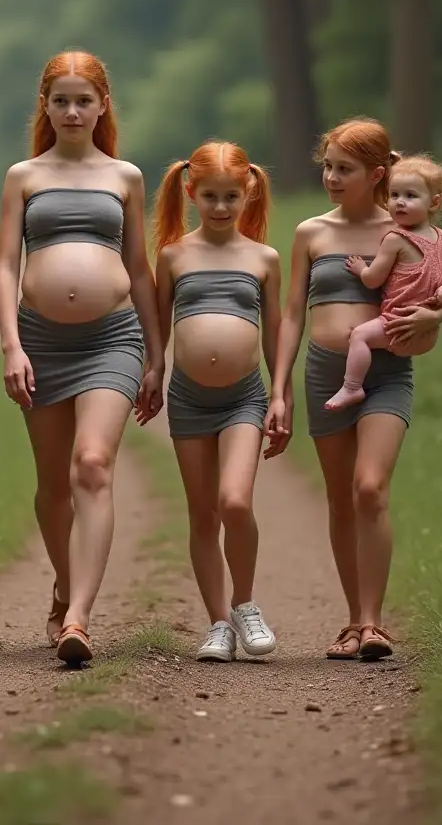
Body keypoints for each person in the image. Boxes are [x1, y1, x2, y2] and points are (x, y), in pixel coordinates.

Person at [266, 118, 442, 662]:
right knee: (340, 499)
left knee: (369, 488)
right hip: (326, 373)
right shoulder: (311, 232)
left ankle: (374, 623)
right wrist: (278, 390)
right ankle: (353, 620)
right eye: (326, 165)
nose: (330, 176)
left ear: (376, 173)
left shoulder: (403, 224)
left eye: (343, 169)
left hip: (388, 372)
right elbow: (291, 316)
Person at [0, 51, 164, 666]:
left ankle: (80, 618)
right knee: (52, 485)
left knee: (91, 464)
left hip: (111, 338)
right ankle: (64, 586)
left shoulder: (125, 176)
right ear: (46, 105)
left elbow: (140, 271)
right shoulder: (22, 176)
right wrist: (11, 344)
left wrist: (156, 353)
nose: (71, 111)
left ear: (102, 106)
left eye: (83, 100)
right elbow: (7, 263)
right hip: (40, 341)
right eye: (60, 100)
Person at [152, 142, 286, 664]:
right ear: (191, 192)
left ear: (248, 192)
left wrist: (280, 395)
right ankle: (218, 624)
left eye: (232, 196)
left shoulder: (263, 258)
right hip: (188, 400)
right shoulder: (173, 255)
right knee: (203, 514)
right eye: (210, 196)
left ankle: (245, 604)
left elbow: (275, 334)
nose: (222, 207)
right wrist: (154, 372)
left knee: (235, 501)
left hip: (244, 400)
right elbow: (159, 327)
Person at [324, 154, 442, 411]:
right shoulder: (439, 237)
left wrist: (360, 268)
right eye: (394, 195)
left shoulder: (395, 239)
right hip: (427, 332)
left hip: (396, 326)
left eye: (410, 196)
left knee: (360, 336)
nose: (399, 202)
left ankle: (352, 387)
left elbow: (373, 280)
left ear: (434, 203)